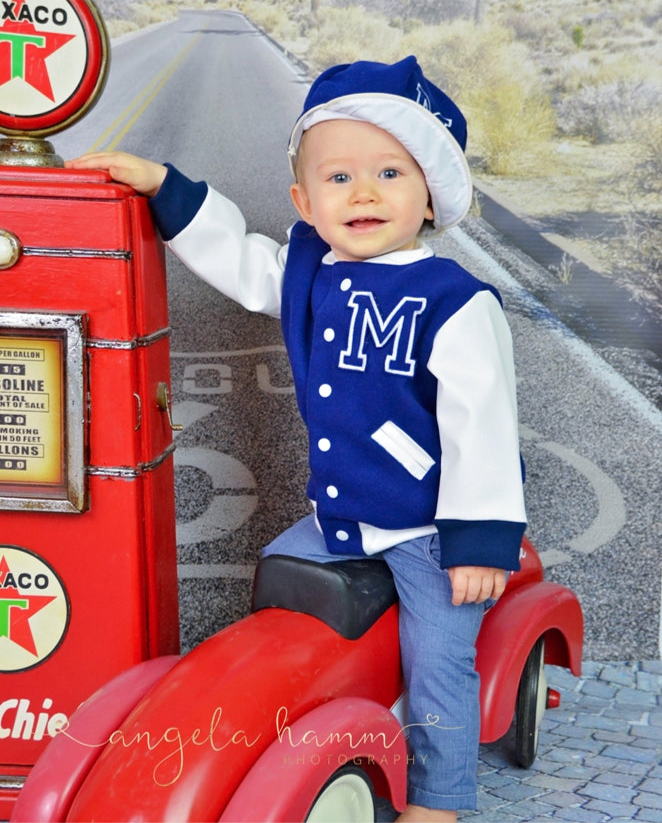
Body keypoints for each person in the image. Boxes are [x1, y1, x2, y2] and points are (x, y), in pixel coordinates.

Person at [68, 56, 526, 823]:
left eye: (389, 171)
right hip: (337, 518)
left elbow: (482, 418)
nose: (366, 192)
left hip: (425, 525)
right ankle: (297, 714)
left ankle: (440, 799)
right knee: (276, 585)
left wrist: (477, 540)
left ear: (431, 194)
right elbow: (246, 263)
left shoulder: (454, 300)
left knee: (440, 655)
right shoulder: (311, 271)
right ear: (304, 201)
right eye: (339, 178)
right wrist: (165, 189)